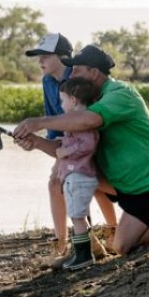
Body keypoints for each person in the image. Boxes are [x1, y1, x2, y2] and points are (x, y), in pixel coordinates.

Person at [12, 45, 149, 256]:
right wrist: (36, 142)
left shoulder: (119, 93)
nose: (72, 74)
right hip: (122, 183)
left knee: (123, 247)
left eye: (77, 70)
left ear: (94, 72)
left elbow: (91, 120)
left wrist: (40, 122)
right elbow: (68, 150)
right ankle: (89, 242)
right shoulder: (86, 105)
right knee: (71, 175)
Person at [23, 34, 117, 262]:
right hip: (70, 142)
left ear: (64, 57)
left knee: (79, 181)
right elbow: (54, 124)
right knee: (58, 181)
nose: (40, 61)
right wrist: (40, 144)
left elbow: (88, 119)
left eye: (46, 56)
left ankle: (109, 232)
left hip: (90, 142)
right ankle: (64, 244)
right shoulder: (47, 81)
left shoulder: (77, 77)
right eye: (39, 57)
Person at [50, 78, 102, 270]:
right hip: (74, 177)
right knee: (75, 215)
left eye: (62, 100)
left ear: (73, 101)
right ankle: (80, 253)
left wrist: (66, 151)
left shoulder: (82, 121)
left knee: (77, 216)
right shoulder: (76, 121)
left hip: (80, 176)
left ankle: (84, 256)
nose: (60, 104)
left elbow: (87, 144)